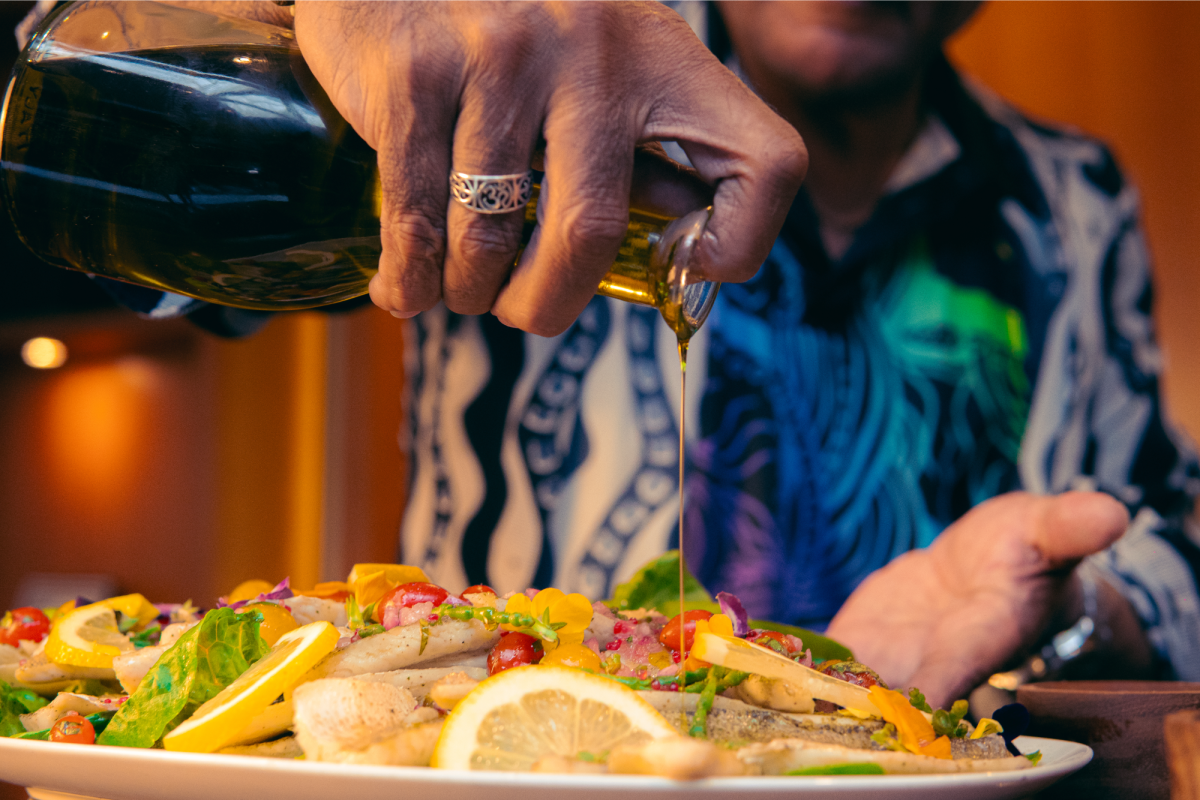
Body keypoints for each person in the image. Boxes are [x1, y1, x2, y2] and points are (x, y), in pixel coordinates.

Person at [22, 0, 1197, 708]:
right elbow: (66, 213)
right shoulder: (526, 52)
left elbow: (1172, 537)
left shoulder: (1072, 201)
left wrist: (1069, 604)